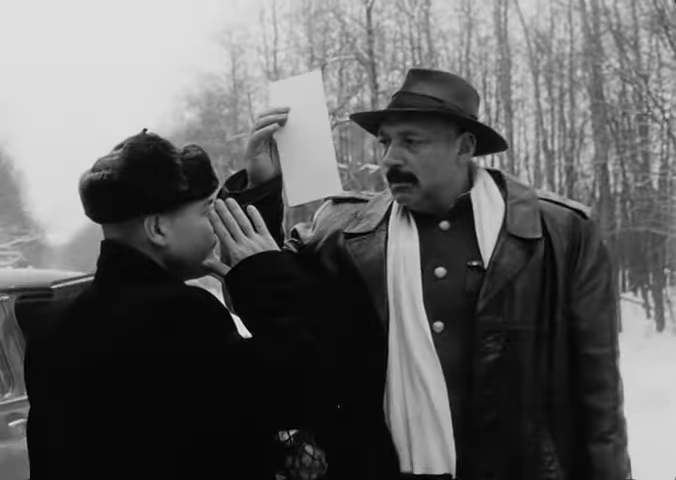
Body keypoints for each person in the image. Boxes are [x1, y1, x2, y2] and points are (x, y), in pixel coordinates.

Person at [220, 69, 632, 480]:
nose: (390, 159)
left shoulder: (560, 232)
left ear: (464, 146)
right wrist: (262, 186)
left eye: (411, 142)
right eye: (386, 142)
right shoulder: (344, 232)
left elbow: (599, 400)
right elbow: (259, 292)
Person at [24, 129, 328, 480]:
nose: (215, 226)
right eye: (206, 211)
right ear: (157, 229)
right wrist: (267, 275)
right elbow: (299, 390)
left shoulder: (54, 329)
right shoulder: (182, 315)